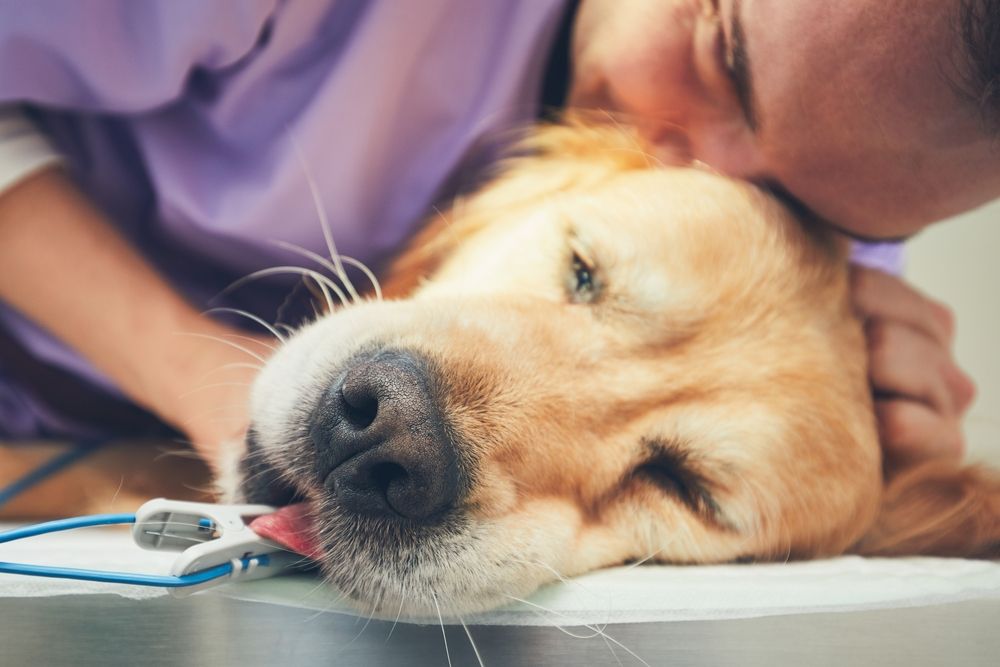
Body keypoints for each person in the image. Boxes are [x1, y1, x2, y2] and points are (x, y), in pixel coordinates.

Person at [0, 0, 993, 472]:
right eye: (720, 55)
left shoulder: (824, 193)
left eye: (810, 204)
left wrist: (874, 465)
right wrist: (199, 376)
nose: (689, 177)